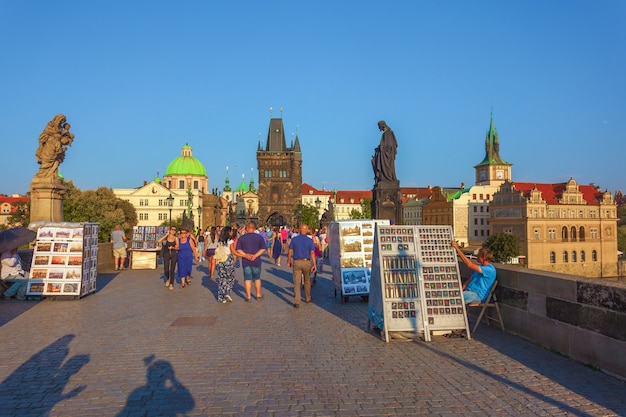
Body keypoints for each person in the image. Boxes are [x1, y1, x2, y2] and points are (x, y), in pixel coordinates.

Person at [235, 221, 267, 302]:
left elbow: (238, 249)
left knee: (247, 279)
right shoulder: (259, 237)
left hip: (246, 261)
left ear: (247, 228)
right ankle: (258, 295)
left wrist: (246, 255)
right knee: (257, 278)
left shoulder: (242, 238)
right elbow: (263, 249)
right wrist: (255, 255)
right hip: (256, 261)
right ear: (254, 228)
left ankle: (248, 297)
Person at [287, 224, 317, 308]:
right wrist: (314, 264)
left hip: (297, 262)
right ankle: (307, 298)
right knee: (307, 281)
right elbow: (312, 253)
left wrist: (288, 260)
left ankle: (297, 301)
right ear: (307, 230)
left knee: (297, 282)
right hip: (306, 262)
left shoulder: (294, 239)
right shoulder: (309, 240)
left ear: (300, 230)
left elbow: (290, 251)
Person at [371, 120, 398, 185]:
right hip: (385, 153)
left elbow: (389, 145)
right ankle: (379, 177)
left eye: (379, 126)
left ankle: (383, 177)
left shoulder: (388, 133)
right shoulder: (386, 133)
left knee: (375, 160)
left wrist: (381, 148)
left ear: (382, 126)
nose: (379, 128)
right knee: (373, 160)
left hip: (387, 155)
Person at [215, 226, 237, 303]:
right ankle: (227, 292)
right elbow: (233, 252)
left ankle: (221, 297)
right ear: (229, 232)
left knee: (222, 279)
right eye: (231, 231)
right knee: (230, 277)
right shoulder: (230, 241)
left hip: (221, 260)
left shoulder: (220, 240)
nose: (232, 232)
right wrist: (244, 255)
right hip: (228, 260)